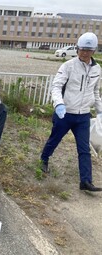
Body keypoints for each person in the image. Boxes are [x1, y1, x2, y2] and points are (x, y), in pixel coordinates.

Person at [40, 32, 102, 192]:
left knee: (84, 149)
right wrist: (59, 104)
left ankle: (86, 182)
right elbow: (56, 86)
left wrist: (99, 110)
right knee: (54, 139)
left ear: (93, 50)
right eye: (81, 49)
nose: (84, 53)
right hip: (65, 113)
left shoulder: (97, 69)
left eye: (88, 50)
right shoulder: (68, 66)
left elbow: (95, 91)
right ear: (77, 48)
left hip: (83, 116)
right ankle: (44, 158)